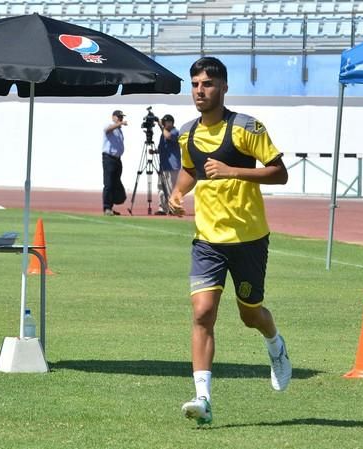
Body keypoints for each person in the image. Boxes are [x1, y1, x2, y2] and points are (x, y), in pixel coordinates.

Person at [168, 57, 291, 426]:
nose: (199, 91)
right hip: (208, 239)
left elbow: (279, 173)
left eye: (206, 84)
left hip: (249, 238)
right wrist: (178, 193)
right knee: (203, 312)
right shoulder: (187, 134)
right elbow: (191, 168)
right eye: (194, 85)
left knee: (250, 314)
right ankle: (202, 398)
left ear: (223, 88)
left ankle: (275, 344)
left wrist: (233, 171)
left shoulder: (246, 128)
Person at [102, 109, 127, 216]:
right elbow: (107, 130)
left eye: (121, 117)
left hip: (117, 159)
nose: (120, 119)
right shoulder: (111, 126)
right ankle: (107, 207)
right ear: (113, 117)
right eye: (118, 117)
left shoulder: (119, 130)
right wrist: (119, 124)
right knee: (108, 183)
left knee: (115, 183)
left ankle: (111, 206)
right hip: (109, 158)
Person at [154, 114, 180, 215]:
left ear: (170, 122)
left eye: (165, 122)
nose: (164, 124)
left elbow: (168, 136)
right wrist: (155, 151)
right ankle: (162, 208)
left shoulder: (175, 132)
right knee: (161, 187)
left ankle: (173, 208)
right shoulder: (163, 133)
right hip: (163, 165)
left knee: (171, 188)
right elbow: (162, 148)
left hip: (172, 166)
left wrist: (161, 126)